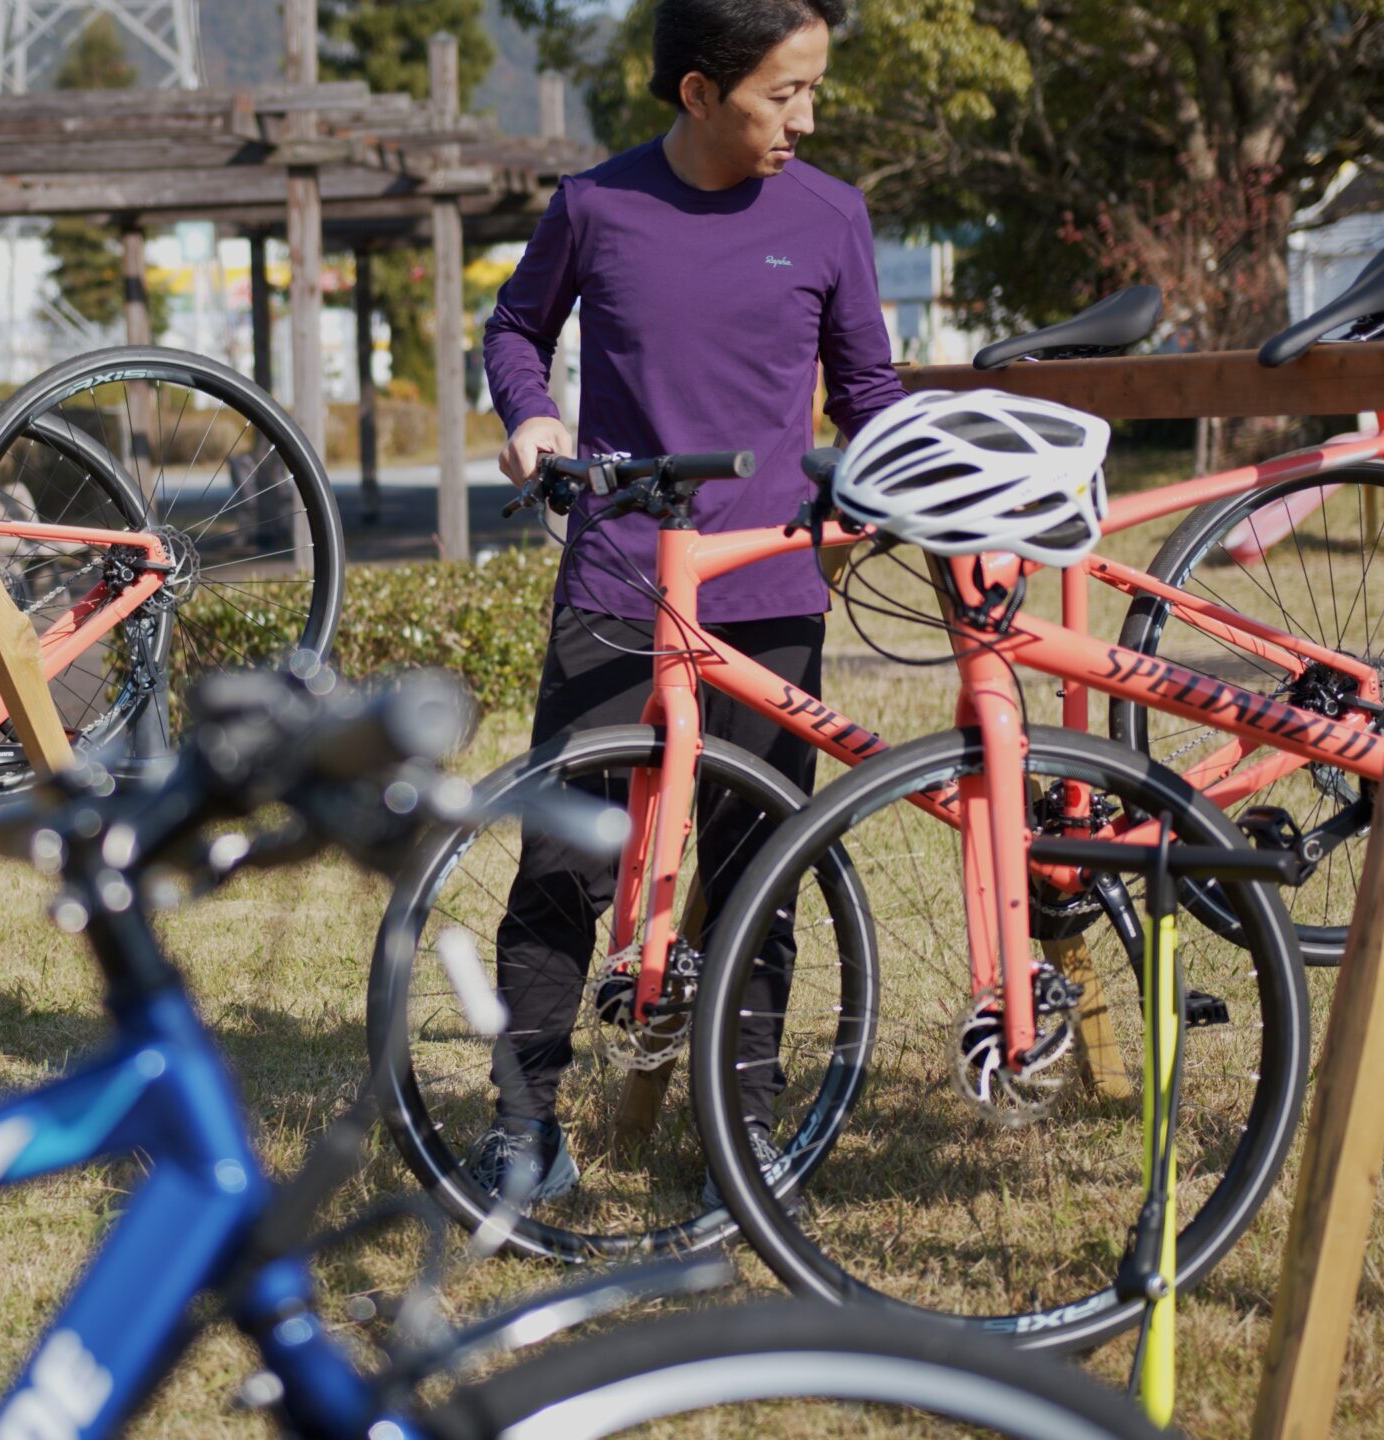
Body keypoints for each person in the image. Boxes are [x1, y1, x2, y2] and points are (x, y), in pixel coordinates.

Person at [469, 0, 906, 1202]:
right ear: (699, 95)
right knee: (563, 863)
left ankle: (745, 1137)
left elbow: (866, 388)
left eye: (813, 90)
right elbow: (513, 328)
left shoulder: (829, 214)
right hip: (618, 579)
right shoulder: (595, 206)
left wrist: (908, 489)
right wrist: (533, 417)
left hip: (768, 590)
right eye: (784, 94)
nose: (804, 121)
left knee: (760, 869)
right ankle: (523, 1131)